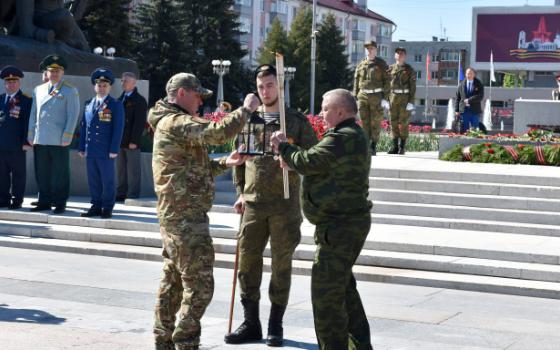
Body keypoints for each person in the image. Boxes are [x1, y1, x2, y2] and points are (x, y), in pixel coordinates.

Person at [149, 72, 260, 350]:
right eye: (198, 95)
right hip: (184, 218)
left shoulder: (170, 123)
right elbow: (216, 132)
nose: (201, 102)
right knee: (200, 286)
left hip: (178, 215)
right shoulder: (176, 122)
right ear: (183, 93)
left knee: (173, 283)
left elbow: (195, 169)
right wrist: (245, 109)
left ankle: (163, 341)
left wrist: (227, 161)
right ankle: (185, 343)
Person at [270, 89, 373, 350]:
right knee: (344, 291)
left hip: (340, 228)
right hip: (344, 225)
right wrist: (292, 159)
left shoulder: (343, 137)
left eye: (325, 109)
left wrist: (283, 146)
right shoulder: (351, 135)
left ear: (340, 111)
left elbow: (308, 161)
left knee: (326, 297)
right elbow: (315, 163)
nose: (321, 114)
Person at [224, 64, 317, 347]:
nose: (265, 91)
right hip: (252, 203)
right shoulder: (250, 120)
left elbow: (313, 158)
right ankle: (251, 322)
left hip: (284, 204)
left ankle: (276, 323)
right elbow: (239, 160)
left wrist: (294, 158)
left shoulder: (296, 122)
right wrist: (240, 192)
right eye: (261, 86)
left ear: (280, 86)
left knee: (281, 265)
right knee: (248, 262)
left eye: (270, 85)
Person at [28, 54, 80, 214]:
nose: (55, 74)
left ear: (63, 72)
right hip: (41, 137)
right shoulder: (39, 89)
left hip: (59, 139)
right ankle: (44, 200)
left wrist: (68, 135)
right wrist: (31, 134)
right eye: (52, 71)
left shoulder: (70, 90)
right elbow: (33, 113)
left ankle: (60, 202)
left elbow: (73, 114)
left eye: (58, 71)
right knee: (42, 171)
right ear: (47, 72)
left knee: (60, 172)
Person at [78, 68, 124, 219]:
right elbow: (84, 126)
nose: (102, 88)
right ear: (94, 86)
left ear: (110, 87)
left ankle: (107, 207)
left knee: (108, 179)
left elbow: (118, 128)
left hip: (106, 150)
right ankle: (96, 205)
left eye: (105, 85)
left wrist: (114, 148)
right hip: (90, 149)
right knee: (93, 180)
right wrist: (81, 147)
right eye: (99, 85)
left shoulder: (115, 104)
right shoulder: (88, 104)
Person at [0, 66, 32, 210]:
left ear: (19, 83)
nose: (11, 84)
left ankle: (17, 199)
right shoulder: (0, 99)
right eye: (8, 82)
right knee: (2, 174)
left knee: (18, 174)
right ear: (4, 83)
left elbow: (27, 123)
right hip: (1, 144)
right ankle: (3, 198)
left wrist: (26, 142)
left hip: (18, 145)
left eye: (14, 82)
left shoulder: (26, 100)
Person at [353, 40, 390, 155]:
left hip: (376, 96)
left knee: (375, 122)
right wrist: (355, 96)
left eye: (371, 48)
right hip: (363, 96)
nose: (369, 51)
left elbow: (387, 81)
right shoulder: (361, 64)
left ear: (376, 50)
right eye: (367, 49)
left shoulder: (381, 64)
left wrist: (385, 98)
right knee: (364, 122)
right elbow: (356, 81)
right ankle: (366, 145)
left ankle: (373, 146)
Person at [116, 72, 148, 202]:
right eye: (122, 80)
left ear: (134, 83)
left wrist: (134, 140)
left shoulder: (139, 100)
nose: (123, 83)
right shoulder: (119, 99)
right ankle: (121, 193)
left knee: (133, 170)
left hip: (131, 141)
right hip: (120, 141)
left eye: (126, 81)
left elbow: (139, 123)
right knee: (121, 170)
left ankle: (133, 194)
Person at [388, 47, 416, 155]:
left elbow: (413, 87)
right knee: (392, 122)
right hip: (393, 97)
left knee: (404, 123)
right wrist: (386, 99)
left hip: (405, 98)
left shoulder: (409, 69)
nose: (399, 55)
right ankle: (395, 146)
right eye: (398, 53)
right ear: (395, 55)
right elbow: (386, 86)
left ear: (405, 56)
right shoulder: (390, 69)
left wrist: (411, 102)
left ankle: (402, 147)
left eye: (402, 53)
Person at [455, 67, 484, 133]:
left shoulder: (479, 84)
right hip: (464, 111)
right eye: (467, 73)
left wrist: (469, 100)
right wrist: (456, 110)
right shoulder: (461, 84)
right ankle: (464, 142)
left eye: (471, 73)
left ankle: (475, 142)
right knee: (464, 129)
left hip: (474, 110)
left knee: (475, 129)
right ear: (465, 74)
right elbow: (457, 98)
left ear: (474, 74)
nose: (469, 75)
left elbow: (480, 96)